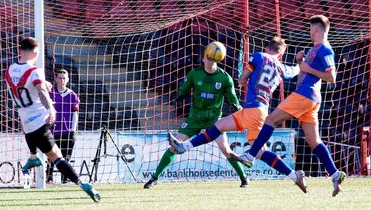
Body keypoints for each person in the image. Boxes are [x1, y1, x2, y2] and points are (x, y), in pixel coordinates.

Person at [170, 37, 307, 193]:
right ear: (280, 54)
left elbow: (242, 80)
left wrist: (243, 79)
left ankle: (293, 175)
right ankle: (184, 146)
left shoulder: (258, 56)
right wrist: (299, 62)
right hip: (257, 110)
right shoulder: (282, 68)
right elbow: (295, 70)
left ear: (267, 47)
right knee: (219, 127)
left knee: (258, 150)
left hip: (253, 110)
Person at [232, 15, 346, 197]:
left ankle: (250, 155)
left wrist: (308, 69)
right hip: (313, 99)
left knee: (271, 120)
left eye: (310, 29)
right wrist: (301, 63)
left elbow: (331, 77)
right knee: (313, 140)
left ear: (316, 30)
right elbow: (303, 73)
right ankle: (334, 174)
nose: (309, 32)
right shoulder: (313, 50)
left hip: (305, 95)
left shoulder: (325, 49)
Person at [5, 37, 100, 202]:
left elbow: (25, 85)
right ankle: (83, 184)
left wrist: (43, 83)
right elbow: (41, 92)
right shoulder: (35, 71)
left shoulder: (10, 70)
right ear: (36, 52)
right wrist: (52, 109)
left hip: (26, 123)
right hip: (40, 123)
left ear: (20, 51)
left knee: (42, 147)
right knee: (57, 158)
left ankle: (33, 157)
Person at [144, 42, 248, 189]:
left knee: (225, 149)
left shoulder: (225, 78)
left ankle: (244, 179)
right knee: (175, 146)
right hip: (194, 118)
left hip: (214, 120)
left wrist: (238, 108)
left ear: (218, 60)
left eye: (213, 60)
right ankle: (154, 178)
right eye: (208, 59)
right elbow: (184, 90)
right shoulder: (194, 74)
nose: (209, 62)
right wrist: (178, 97)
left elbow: (233, 100)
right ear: (204, 59)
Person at [46, 69, 80, 184]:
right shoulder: (50, 94)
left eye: (64, 78)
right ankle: (48, 178)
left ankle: (64, 180)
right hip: (52, 131)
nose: (62, 80)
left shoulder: (72, 95)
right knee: (51, 157)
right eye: (60, 78)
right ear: (56, 79)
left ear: (68, 80)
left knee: (65, 158)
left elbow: (74, 114)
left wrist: (73, 129)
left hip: (67, 132)